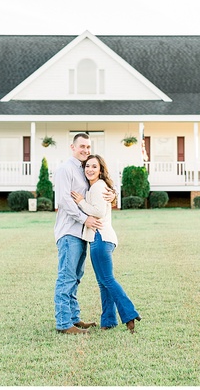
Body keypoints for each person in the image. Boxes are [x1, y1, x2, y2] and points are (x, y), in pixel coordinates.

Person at [71, 154, 142, 333]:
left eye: (94, 166)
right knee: (103, 282)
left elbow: (99, 212)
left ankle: (129, 313)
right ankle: (108, 321)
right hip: (103, 238)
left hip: (100, 237)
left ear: (100, 170)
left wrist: (80, 202)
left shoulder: (98, 187)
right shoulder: (97, 187)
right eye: (87, 166)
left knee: (107, 280)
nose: (90, 169)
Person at [53, 133, 115, 335]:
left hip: (82, 234)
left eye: (88, 147)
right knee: (66, 277)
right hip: (69, 231)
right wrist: (84, 219)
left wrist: (112, 194)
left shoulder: (84, 169)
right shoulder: (65, 169)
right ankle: (64, 323)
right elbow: (64, 200)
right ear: (72, 147)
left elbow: (97, 192)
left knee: (76, 276)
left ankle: (74, 318)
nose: (85, 150)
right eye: (82, 146)